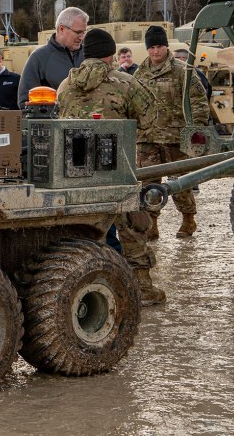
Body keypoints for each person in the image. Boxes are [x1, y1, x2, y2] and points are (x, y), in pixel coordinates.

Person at [56, 28, 164, 306]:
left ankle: (90, 290)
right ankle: (142, 288)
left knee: (88, 229)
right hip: (117, 166)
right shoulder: (126, 83)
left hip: (76, 172)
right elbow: (151, 119)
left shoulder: (66, 85)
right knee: (131, 226)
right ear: (111, 54)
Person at [134, 26, 209, 239]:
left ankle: (188, 220)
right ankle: (151, 224)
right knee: (150, 184)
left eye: (159, 46)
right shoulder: (140, 72)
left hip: (176, 137)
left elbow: (198, 101)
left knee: (180, 183)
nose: (155, 51)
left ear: (166, 46)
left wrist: (196, 131)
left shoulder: (182, 70)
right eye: (151, 47)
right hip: (147, 138)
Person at [17, 7, 89, 108]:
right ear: (61, 29)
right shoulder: (38, 59)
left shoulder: (88, 56)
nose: (82, 37)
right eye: (78, 32)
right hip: (54, 122)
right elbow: (25, 102)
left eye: (83, 32)